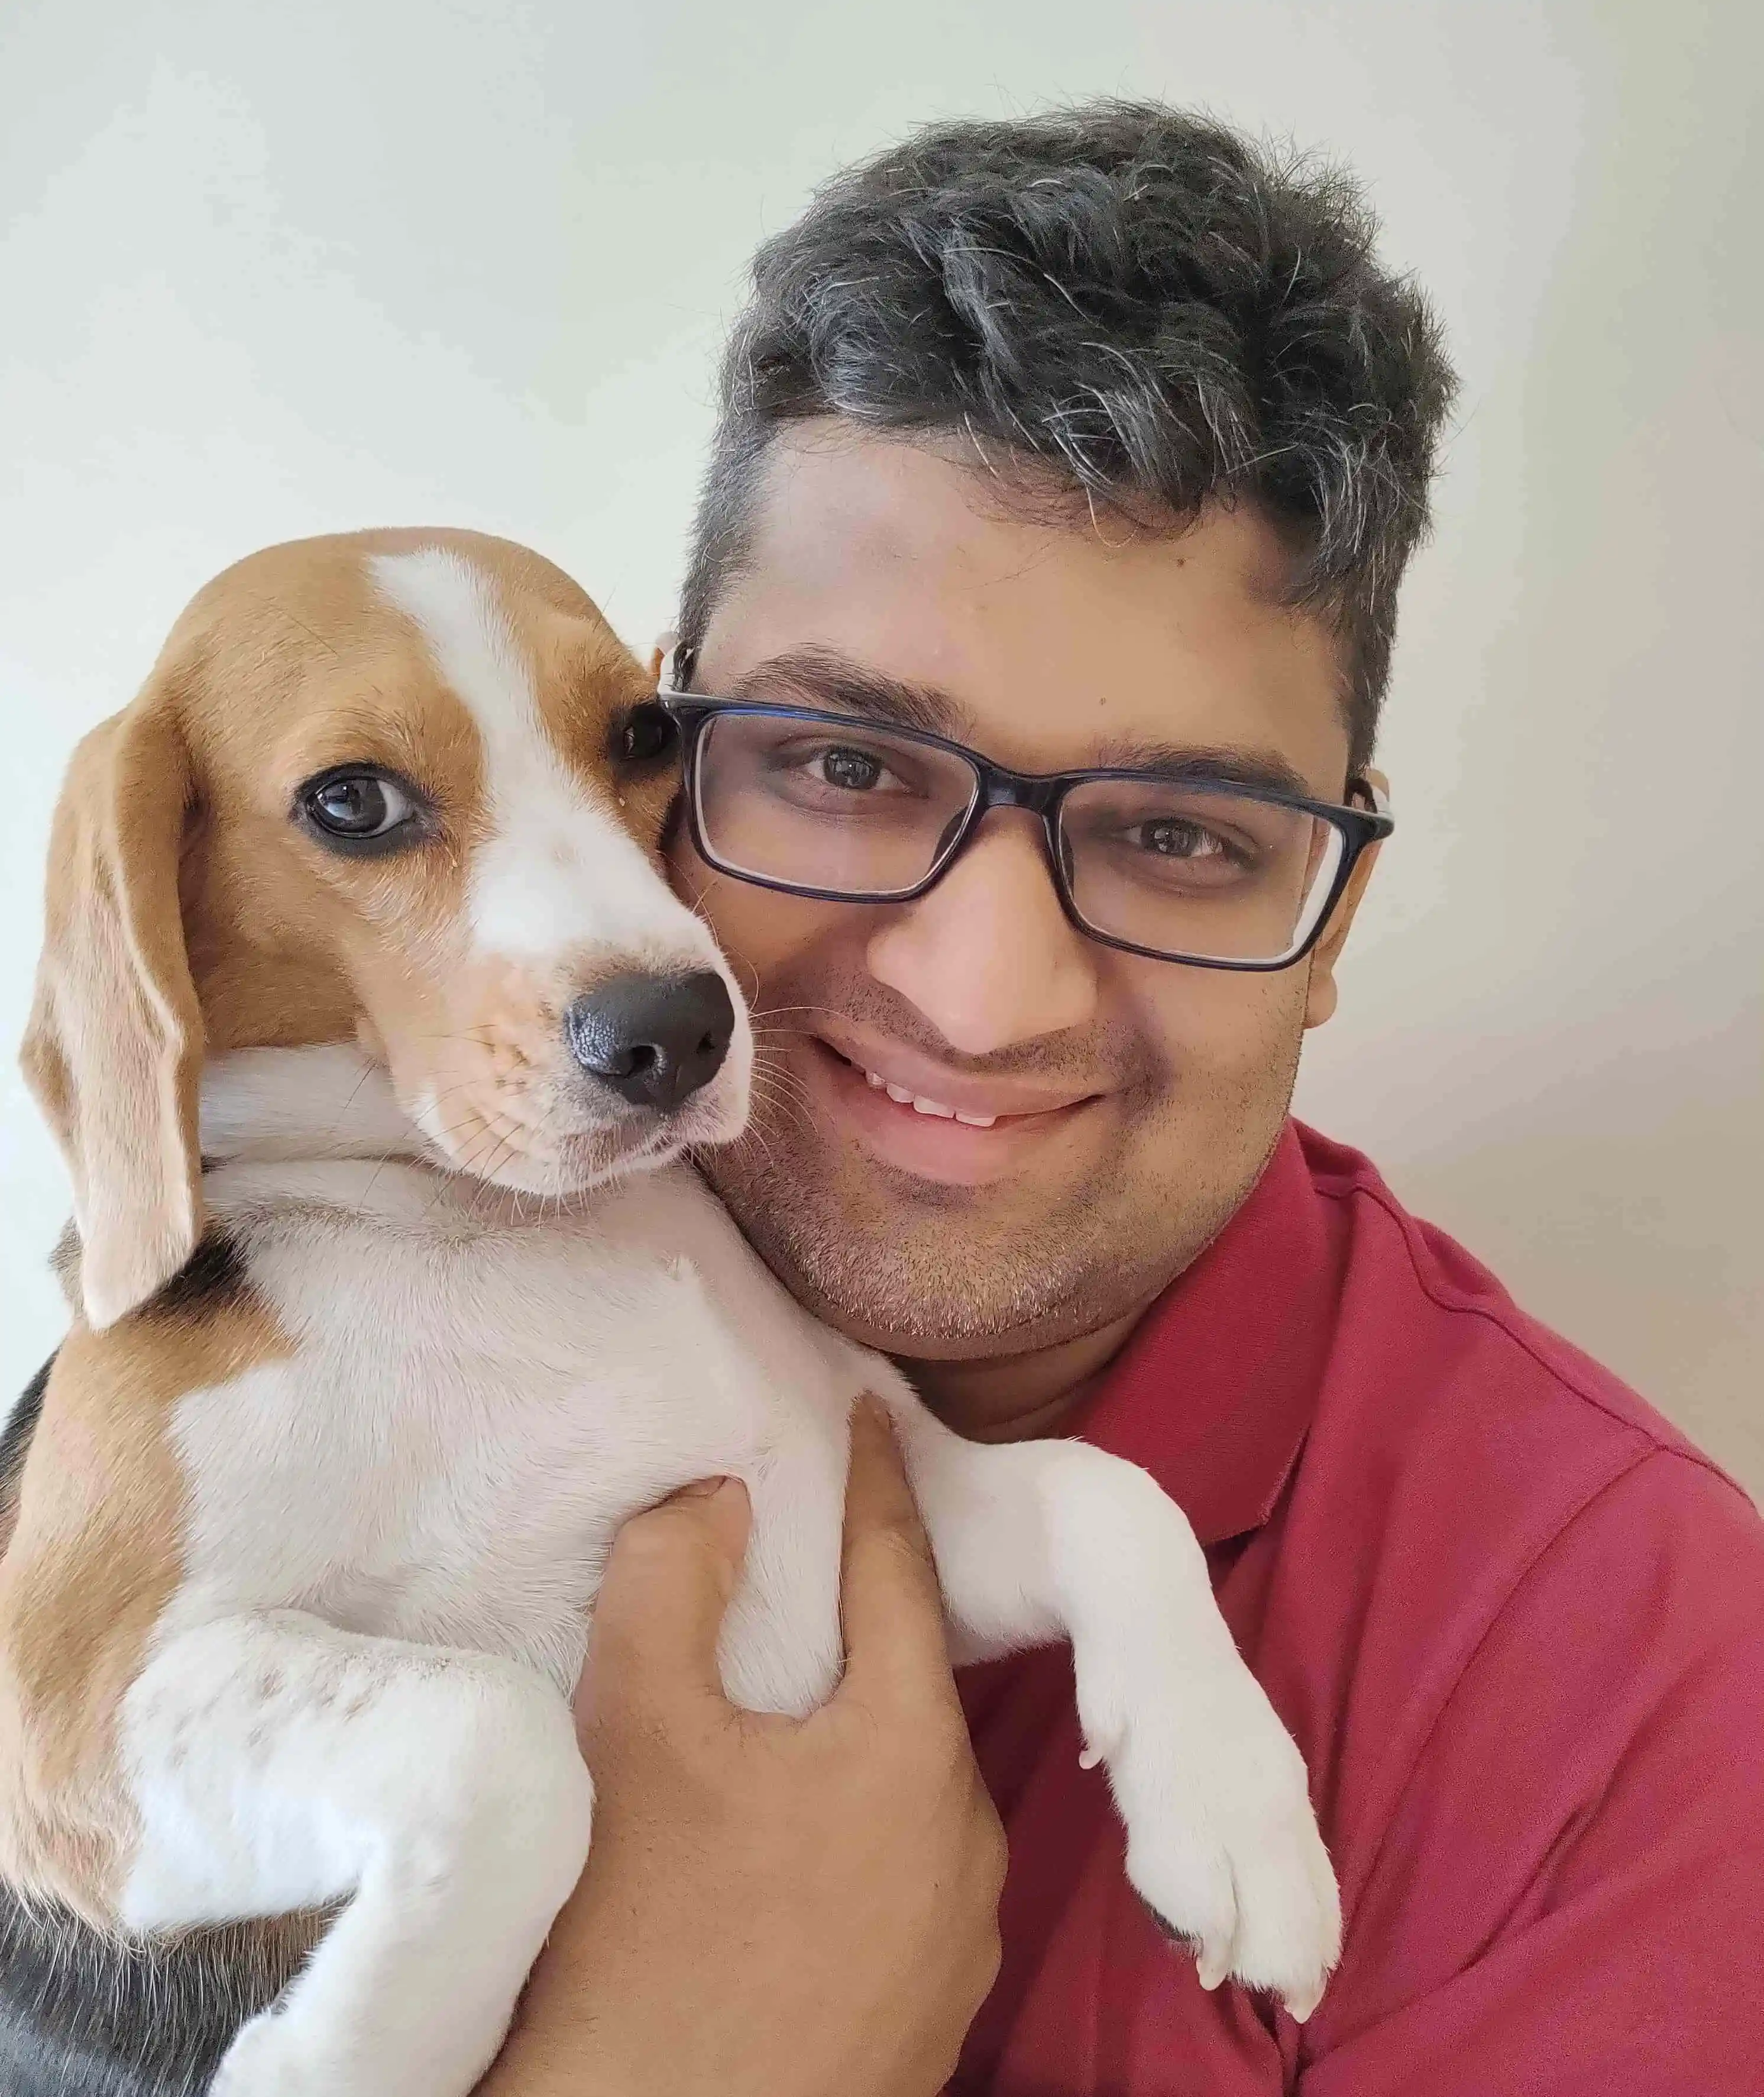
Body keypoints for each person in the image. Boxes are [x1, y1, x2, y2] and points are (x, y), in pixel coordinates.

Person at [4, 101, 1760, 2097]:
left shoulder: (1645, 1698)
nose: (978, 995)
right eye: (840, 764)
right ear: (685, 731)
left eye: (1186, 830)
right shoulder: (222, 1306)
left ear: (1337, 892)